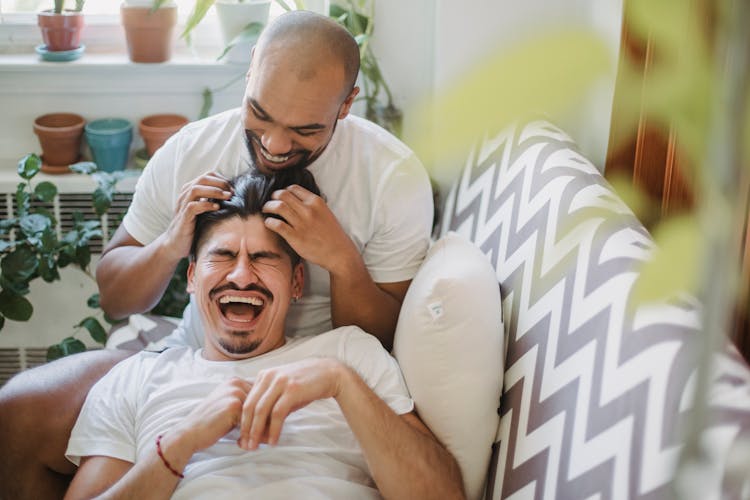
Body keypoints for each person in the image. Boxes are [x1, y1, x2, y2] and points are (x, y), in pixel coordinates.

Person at [0, 9, 433, 500]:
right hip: (198, 349)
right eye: (261, 115)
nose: (273, 144)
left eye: (304, 131)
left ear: (346, 104)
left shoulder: (391, 178)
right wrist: (169, 246)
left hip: (322, 355)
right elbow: (116, 298)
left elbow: (385, 337)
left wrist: (341, 262)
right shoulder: (191, 148)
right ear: (251, 68)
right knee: (19, 409)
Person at [63, 171, 462, 500]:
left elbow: (443, 495)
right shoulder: (136, 378)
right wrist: (180, 443)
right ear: (190, 277)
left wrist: (341, 383)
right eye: (222, 256)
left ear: (296, 282)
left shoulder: (349, 353)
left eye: (263, 258)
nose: (240, 275)